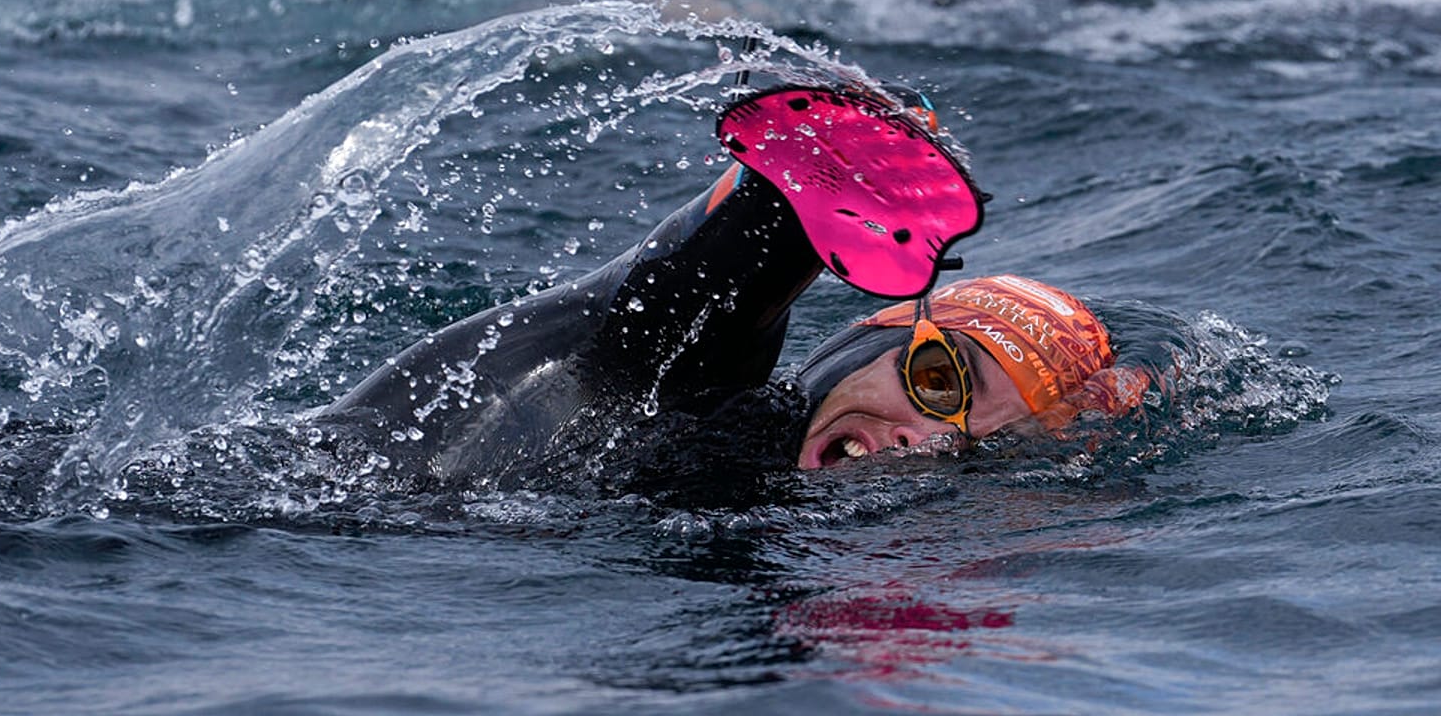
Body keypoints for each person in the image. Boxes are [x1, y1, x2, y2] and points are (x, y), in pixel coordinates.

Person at [322, 85, 1150, 495]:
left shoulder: (775, 509)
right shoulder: (694, 396)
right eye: (939, 381)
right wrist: (817, 189)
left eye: (970, 451)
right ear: (866, 339)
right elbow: (677, 303)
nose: (922, 443)